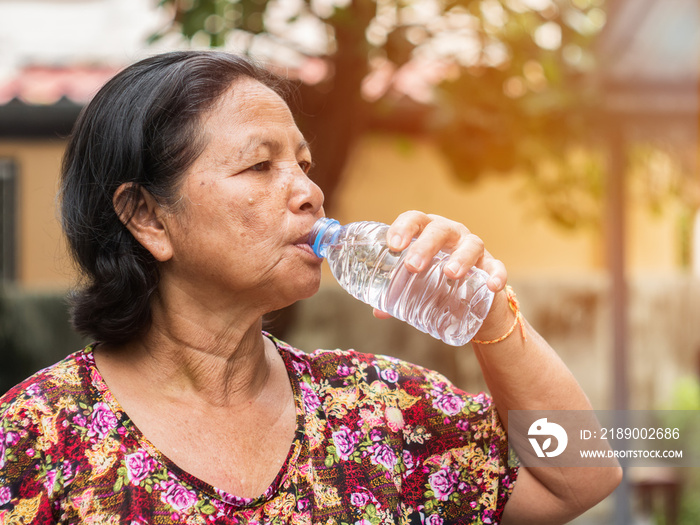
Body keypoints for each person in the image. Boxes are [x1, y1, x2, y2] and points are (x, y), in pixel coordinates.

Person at [0, 51, 620, 524]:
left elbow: (581, 479)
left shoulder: (378, 409)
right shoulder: (35, 440)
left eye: (303, 164)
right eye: (259, 165)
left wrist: (489, 311)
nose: (308, 191)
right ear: (148, 218)